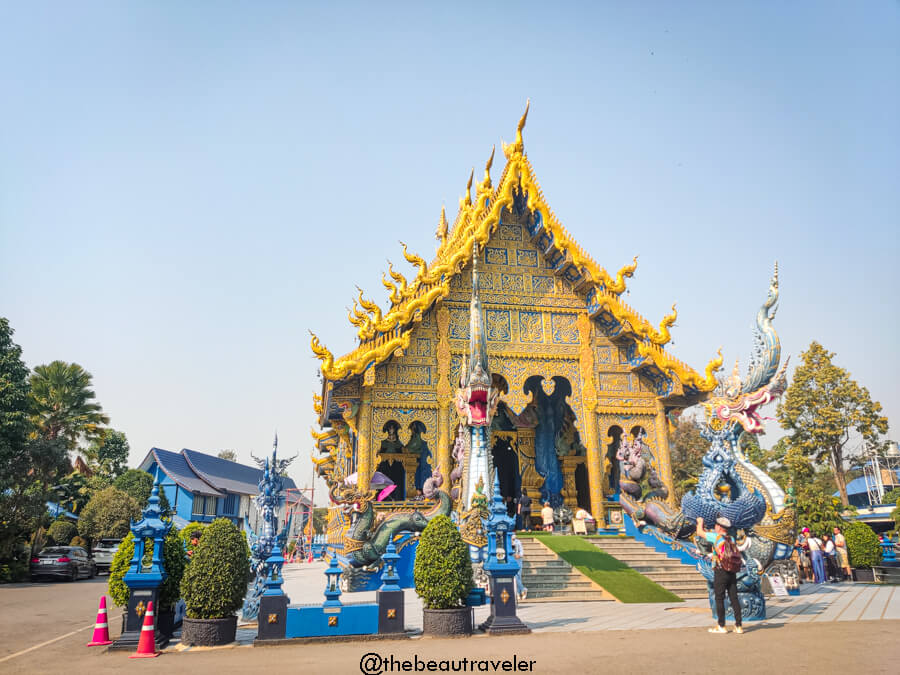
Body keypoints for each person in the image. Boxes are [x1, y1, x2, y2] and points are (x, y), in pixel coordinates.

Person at [695, 516, 743, 634]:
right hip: (732, 570)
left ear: (720, 527)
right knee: (734, 597)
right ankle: (738, 626)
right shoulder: (731, 538)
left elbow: (699, 533)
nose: (715, 527)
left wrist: (700, 522)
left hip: (721, 570)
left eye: (716, 526)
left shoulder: (715, 537)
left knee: (719, 597)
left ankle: (721, 625)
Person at [511, 533, 527, 600]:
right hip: (511, 560)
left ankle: (518, 593)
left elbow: (521, 551)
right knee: (514, 576)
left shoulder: (518, 541)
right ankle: (523, 590)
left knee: (518, 576)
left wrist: (519, 555)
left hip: (518, 559)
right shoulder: (506, 541)